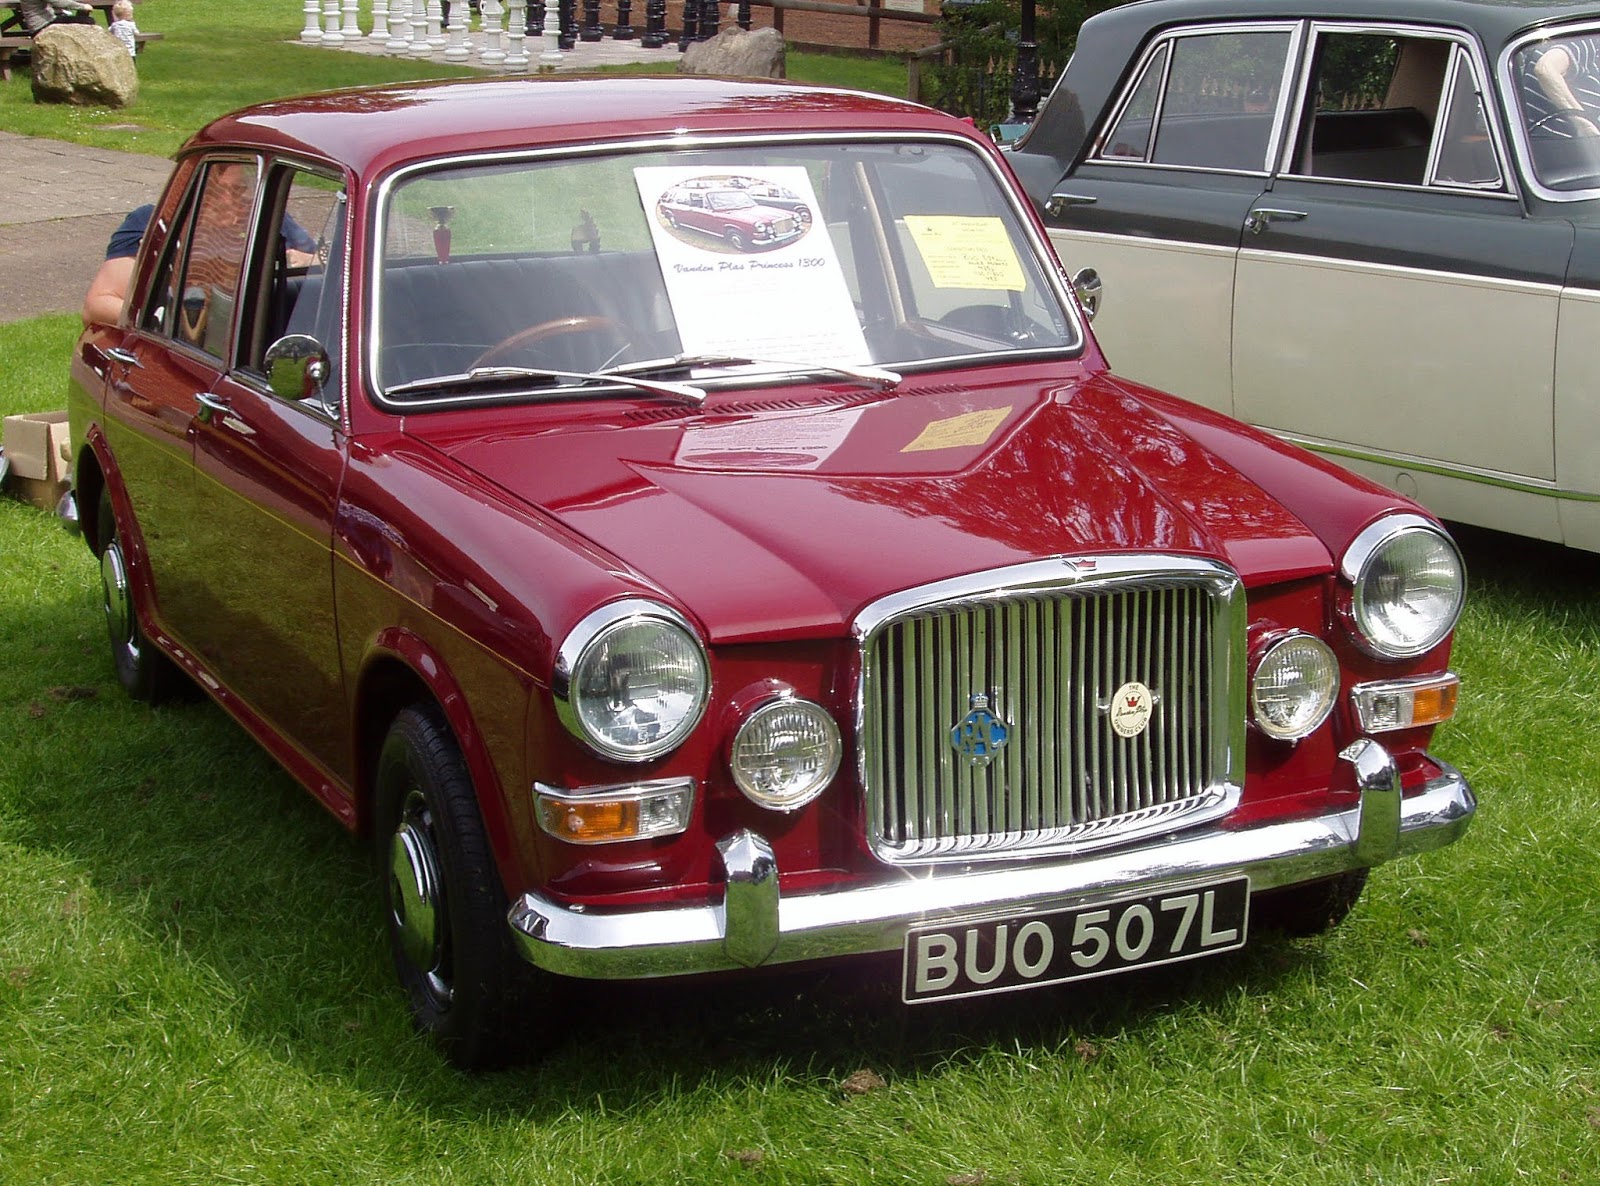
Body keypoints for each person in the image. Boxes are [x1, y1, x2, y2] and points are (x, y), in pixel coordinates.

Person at [1528, 36, 1600, 137]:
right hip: (1544, 139)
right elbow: (1545, 68)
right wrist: (1584, 125)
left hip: (1563, 143)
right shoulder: (1586, 40)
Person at [15, 0, 96, 35]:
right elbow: (60, 3)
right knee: (88, 22)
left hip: (41, 24)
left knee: (85, 21)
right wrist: (83, 6)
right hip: (43, 26)